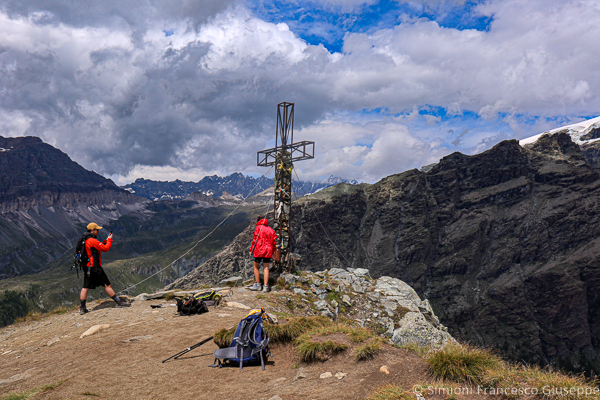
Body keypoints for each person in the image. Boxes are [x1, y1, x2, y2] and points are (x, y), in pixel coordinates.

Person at [79, 222, 129, 315]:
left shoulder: (85, 239)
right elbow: (105, 248)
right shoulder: (92, 240)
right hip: (95, 267)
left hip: (87, 267)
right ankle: (119, 302)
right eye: (97, 230)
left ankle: (82, 308)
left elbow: (97, 247)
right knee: (107, 285)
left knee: (85, 287)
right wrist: (109, 240)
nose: (98, 231)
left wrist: (104, 241)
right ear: (92, 230)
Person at [248, 216, 277, 292]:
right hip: (268, 250)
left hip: (259, 250)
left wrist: (251, 250)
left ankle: (258, 285)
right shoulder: (271, 230)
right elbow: (274, 242)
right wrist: (273, 251)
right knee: (266, 268)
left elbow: (255, 240)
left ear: (259, 221)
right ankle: (265, 286)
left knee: (255, 267)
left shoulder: (258, 227)